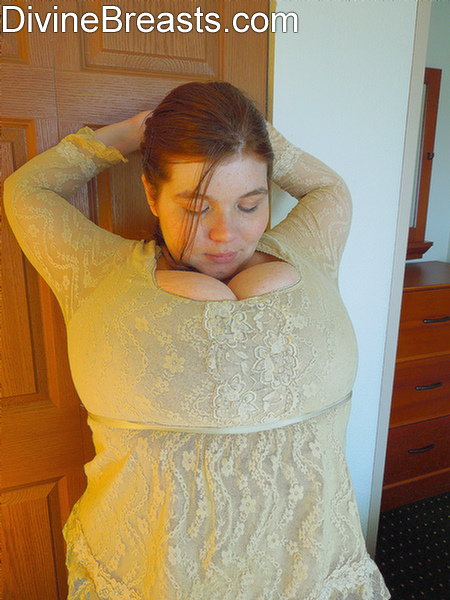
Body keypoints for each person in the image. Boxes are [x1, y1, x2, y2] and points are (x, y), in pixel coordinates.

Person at [4, 81, 390, 599]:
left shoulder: (311, 246)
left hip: (315, 573)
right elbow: (27, 193)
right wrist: (130, 134)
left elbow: (330, 189)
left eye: (249, 205)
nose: (225, 234)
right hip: (149, 577)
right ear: (151, 193)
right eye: (195, 207)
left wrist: (253, 132)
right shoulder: (94, 271)